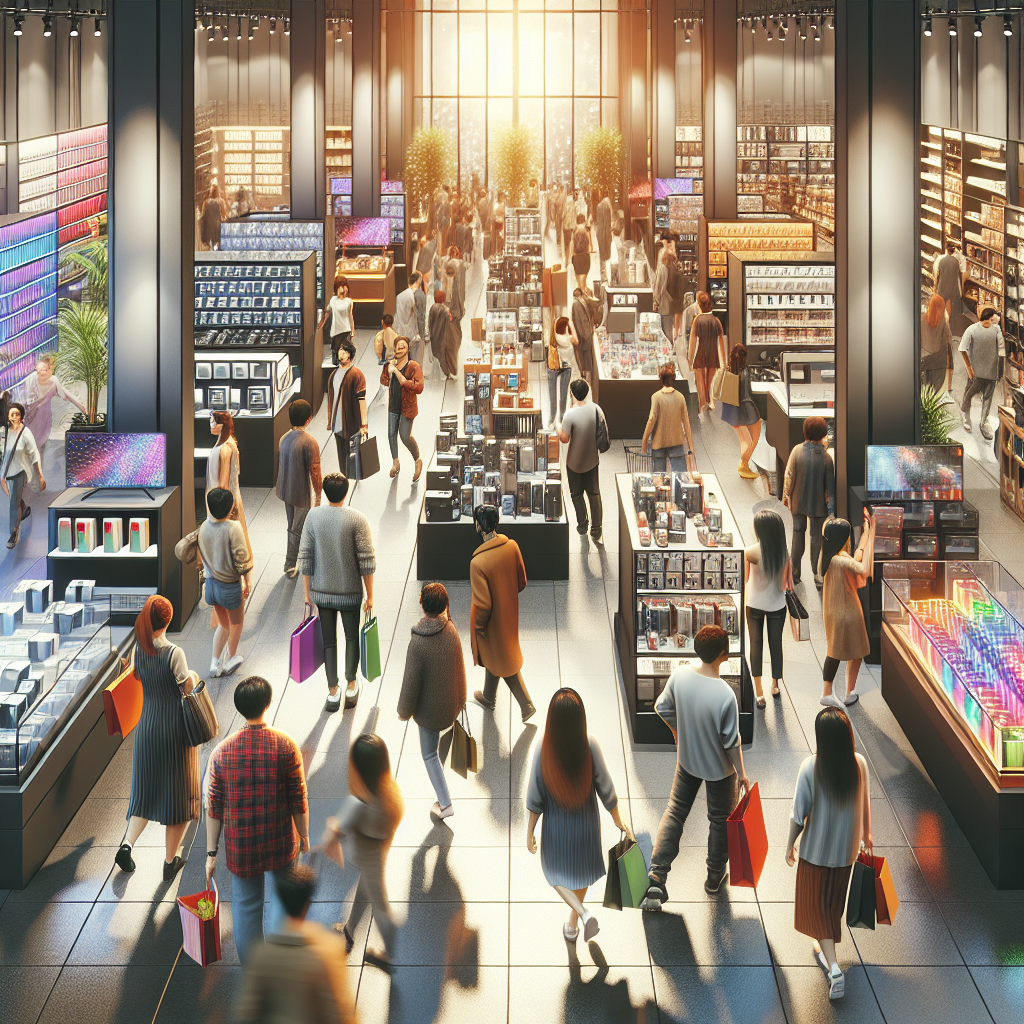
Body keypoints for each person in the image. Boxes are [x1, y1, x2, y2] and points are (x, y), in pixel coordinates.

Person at [640, 625, 751, 907]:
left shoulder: (679, 677)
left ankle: (656, 876)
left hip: (687, 762)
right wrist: (742, 773)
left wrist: (678, 732)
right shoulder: (726, 694)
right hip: (720, 772)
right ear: (723, 656)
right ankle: (714, 878)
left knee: (675, 813)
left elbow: (661, 708)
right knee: (719, 822)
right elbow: (730, 742)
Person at [206, 676, 310, 966]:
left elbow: (213, 807)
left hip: (242, 847)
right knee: (282, 900)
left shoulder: (221, 753)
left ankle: (255, 973)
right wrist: (304, 835)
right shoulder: (285, 745)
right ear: (267, 703)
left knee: (246, 906)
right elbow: (298, 798)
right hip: (280, 841)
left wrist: (211, 853)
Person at [526, 688, 633, 943]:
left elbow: (535, 794)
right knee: (581, 872)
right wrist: (618, 819)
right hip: (586, 826)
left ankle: (583, 914)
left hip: (557, 828)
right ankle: (573, 924)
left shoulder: (543, 746)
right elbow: (606, 788)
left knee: (553, 872)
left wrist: (529, 830)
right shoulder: (590, 743)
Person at [786, 708, 873, 1001]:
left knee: (817, 908)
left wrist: (789, 845)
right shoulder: (859, 764)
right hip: (846, 854)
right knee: (832, 907)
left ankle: (834, 969)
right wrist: (867, 836)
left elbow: (799, 814)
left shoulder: (811, 768)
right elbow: (866, 803)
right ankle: (826, 950)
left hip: (815, 854)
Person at [116, 595, 200, 882]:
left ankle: (127, 846)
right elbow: (186, 690)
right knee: (177, 798)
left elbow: (138, 678)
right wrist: (191, 675)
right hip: (173, 729)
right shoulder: (173, 652)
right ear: (166, 621)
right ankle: (169, 861)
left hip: (147, 726)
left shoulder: (140, 648)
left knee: (144, 792)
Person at [234, 865, 357, 1024]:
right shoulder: (329, 949)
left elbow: (248, 1010)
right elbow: (340, 1012)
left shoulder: (261, 955)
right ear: (308, 902)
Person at [323, 734, 403, 973]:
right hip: (379, 851)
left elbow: (334, 831)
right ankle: (348, 933)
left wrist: (331, 828)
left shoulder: (357, 803)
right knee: (365, 892)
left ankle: (390, 955)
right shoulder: (390, 791)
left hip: (366, 855)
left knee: (379, 904)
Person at [298, 471, 375, 712]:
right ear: (346, 491)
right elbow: (366, 560)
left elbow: (306, 557)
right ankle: (352, 685)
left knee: (328, 642)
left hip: (322, 592)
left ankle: (333, 691)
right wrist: (370, 594)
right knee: (352, 638)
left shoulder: (313, 516)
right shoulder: (357, 519)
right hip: (350, 593)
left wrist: (307, 593)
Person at [397, 582, 466, 820]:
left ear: (421, 606)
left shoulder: (418, 643)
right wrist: (461, 698)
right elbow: (460, 668)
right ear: (445, 605)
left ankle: (445, 804)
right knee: (441, 741)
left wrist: (403, 712)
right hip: (452, 705)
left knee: (429, 755)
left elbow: (410, 685)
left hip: (430, 714)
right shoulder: (452, 630)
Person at [470, 504, 537, 723]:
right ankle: (489, 697)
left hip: (490, 622)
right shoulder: (513, 547)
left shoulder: (477, 563)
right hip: (509, 614)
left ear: (479, 526)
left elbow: (483, 604)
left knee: (502, 657)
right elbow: (522, 582)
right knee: (498, 655)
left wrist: (479, 626)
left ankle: (526, 704)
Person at [820, 514, 875, 709]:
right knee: (852, 653)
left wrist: (865, 536)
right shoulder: (840, 560)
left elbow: (855, 558)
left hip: (832, 611)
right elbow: (862, 567)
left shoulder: (827, 557)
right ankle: (841, 692)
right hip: (849, 612)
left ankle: (837, 692)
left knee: (835, 652)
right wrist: (871, 536)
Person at [197, 487, 253, 677]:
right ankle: (230, 658)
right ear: (230, 508)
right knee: (236, 623)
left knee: (223, 624)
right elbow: (241, 557)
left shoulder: (203, 526)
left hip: (210, 585)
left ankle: (214, 663)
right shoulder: (233, 527)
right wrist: (246, 579)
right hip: (229, 586)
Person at [745, 510, 792, 708]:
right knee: (776, 644)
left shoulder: (750, 552)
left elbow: (745, 579)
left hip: (754, 604)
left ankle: (758, 692)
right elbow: (784, 586)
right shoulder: (784, 553)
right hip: (777, 606)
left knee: (756, 644)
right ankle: (775, 685)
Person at [783, 416, 835, 587]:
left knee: (797, 536)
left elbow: (789, 476)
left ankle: (795, 574)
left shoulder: (797, 451)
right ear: (823, 434)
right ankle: (817, 574)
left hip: (797, 502)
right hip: (818, 505)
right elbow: (830, 487)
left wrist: (786, 495)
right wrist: (832, 508)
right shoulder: (826, 458)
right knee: (815, 539)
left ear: (805, 432)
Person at [275, 398, 322, 579]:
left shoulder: (283, 438)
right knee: (296, 529)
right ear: (308, 419)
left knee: (292, 526)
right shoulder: (309, 442)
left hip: (285, 490)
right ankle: (290, 563)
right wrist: (318, 496)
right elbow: (315, 471)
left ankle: (300, 557)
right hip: (300, 493)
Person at [14, 354, 86, 468]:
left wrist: (84, 409)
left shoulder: (53, 382)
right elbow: (21, 398)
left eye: (44, 370)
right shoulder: (31, 379)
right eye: (39, 370)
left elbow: (68, 395)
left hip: (43, 420)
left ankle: (39, 474)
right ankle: (26, 474)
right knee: (27, 445)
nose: (41, 373)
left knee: (40, 445)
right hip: (30, 419)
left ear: (50, 370)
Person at [558, 378, 604, 543]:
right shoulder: (596, 409)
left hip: (574, 463)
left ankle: (582, 524)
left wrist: (557, 427)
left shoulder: (570, 414)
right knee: (594, 493)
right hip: (592, 460)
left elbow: (564, 439)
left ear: (572, 394)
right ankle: (597, 529)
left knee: (576, 494)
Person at [206, 410, 251, 557]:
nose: (211, 424)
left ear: (222, 425)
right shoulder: (225, 443)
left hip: (224, 502)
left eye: (214, 422)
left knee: (230, 539)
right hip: (221, 498)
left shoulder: (225, 447)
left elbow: (224, 482)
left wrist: (220, 504)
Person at [640, 365, 697, 475]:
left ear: (660, 378)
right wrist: (691, 446)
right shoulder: (680, 397)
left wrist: (644, 442)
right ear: (673, 378)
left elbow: (651, 420)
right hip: (677, 442)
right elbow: (686, 422)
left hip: (659, 442)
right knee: (680, 477)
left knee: (658, 477)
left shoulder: (656, 397)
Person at [1, 402, 44, 549]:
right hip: (6, 472)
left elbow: (34, 454)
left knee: (13, 504)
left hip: (20, 472)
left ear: (21, 416)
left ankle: (13, 534)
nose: (14, 417)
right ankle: (24, 509)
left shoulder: (25, 433)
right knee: (14, 497)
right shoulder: (5, 431)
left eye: (17, 414)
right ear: (8, 416)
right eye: (12, 414)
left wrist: (40, 475)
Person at [381, 336, 424, 481]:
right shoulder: (391, 364)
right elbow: (384, 380)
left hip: (407, 406)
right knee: (391, 434)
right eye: (398, 347)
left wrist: (400, 376)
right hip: (393, 405)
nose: (400, 349)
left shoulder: (413, 366)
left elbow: (419, 387)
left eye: (403, 347)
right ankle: (395, 462)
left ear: (408, 349)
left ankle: (417, 459)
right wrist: (388, 371)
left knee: (405, 436)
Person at [326, 337, 368, 478]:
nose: (341, 353)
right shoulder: (334, 374)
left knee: (353, 457)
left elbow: (362, 401)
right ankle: (344, 480)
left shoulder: (356, 374)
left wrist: (364, 424)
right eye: (340, 350)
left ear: (350, 355)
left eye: (344, 351)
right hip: (337, 423)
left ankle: (349, 481)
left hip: (351, 422)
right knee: (341, 456)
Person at [959, 306, 1004, 440]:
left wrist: (999, 372)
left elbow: (1001, 351)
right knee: (969, 395)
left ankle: (984, 422)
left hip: (991, 373)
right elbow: (962, 348)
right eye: (994, 321)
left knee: (987, 399)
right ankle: (965, 415)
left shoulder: (996, 330)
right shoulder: (972, 329)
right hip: (975, 373)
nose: (996, 324)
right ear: (989, 319)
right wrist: (969, 369)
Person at [720, 344, 762, 480]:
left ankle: (744, 465)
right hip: (746, 409)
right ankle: (743, 465)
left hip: (733, 411)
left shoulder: (728, 371)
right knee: (753, 440)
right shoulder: (745, 373)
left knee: (745, 439)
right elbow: (747, 393)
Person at [688, 291, 727, 415]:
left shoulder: (697, 321)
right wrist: (724, 363)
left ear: (699, 305)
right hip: (713, 355)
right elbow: (721, 343)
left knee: (700, 384)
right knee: (710, 384)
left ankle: (702, 408)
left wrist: (690, 361)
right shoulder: (716, 321)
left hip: (700, 355)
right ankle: (710, 405)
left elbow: (692, 343)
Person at [547, 314, 577, 428]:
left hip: (553, 367)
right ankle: (562, 418)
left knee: (552, 394)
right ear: (566, 327)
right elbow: (576, 339)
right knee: (563, 394)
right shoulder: (569, 339)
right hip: (566, 368)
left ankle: (551, 419)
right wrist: (571, 324)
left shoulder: (554, 337)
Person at [920, 292, 953, 396]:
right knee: (935, 394)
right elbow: (948, 342)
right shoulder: (944, 323)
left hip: (924, 362)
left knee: (923, 393)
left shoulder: (921, 320)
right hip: (939, 364)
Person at [319, 276, 355, 366]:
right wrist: (321, 324)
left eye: (344, 286)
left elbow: (350, 316)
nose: (343, 289)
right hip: (335, 332)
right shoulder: (333, 300)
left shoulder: (349, 301)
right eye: (340, 286)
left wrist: (352, 330)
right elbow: (328, 312)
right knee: (335, 354)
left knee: (345, 354)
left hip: (345, 330)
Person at [570, 287, 597, 393]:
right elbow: (580, 320)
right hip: (585, 337)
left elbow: (580, 321)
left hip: (585, 337)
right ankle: (586, 382)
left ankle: (587, 382)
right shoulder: (580, 303)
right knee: (586, 362)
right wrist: (586, 335)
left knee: (586, 362)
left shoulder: (579, 304)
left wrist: (583, 335)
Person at [933, 240, 965, 320]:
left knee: (941, 303)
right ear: (954, 250)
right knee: (949, 302)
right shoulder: (957, 261)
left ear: (946, 249)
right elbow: (962, 271)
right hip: (952, 286)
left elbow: (936, 274)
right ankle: (947, 320)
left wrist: (935, 288)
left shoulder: (940, 259)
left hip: (942, 286)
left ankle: (940, 321)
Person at [428, 288, 456, 379]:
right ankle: (445, 373)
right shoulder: (444, 309)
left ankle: (441, 373)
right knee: (442, 355)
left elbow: (430, 322)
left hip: (434, 335)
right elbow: (450, 321)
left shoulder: (433, 307)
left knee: (437, 354)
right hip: (443, 336)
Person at [395, 270, 423, 361]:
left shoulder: (400, 295)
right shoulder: (412, 296)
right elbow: (411, 314)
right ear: (418, 281)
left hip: (402, 329)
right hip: (410, 330)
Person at [653, 246, 677, 340]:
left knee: (663, 328)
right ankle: (671, 345)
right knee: (669, 327)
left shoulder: (662, 268)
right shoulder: (674, 269)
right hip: (672, 303)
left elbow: (659, 286)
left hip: (664, 302)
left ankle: (667, 348)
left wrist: (656, 300)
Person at [199, 184, 226, 250]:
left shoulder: (206, 202)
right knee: (217, 242)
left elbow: (203, 214)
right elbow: (223, 214)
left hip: (208, 226)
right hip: (217, 225)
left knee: (210, 244)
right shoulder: (221, 201)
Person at [595, 192, 613, 284]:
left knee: (602, 256)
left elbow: (601, 223)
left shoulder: (600, 206)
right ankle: (606, 276)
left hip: (601, 234)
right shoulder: (607, 205)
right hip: (606, 234)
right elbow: (607, 222)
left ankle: (604, 276)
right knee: (606, 255)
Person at [571, 214, 591, 294]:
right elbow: (588, 243)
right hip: (585, 256)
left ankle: (581, 295)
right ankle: (584, 295)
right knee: (584, 281)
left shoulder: (575, 231)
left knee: (579, 282)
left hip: (577, 257)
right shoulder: (586, 231)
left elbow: (572, 244)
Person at [562, 187, 577, 266]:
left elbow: (563, 215)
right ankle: (572, 259)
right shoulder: (573, 204)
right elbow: (575, 215)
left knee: (566, 244)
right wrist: (574, 225)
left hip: (566, 226)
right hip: (572, 226)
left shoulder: (565, 205)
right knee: (572, 242)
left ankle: (566, 261)